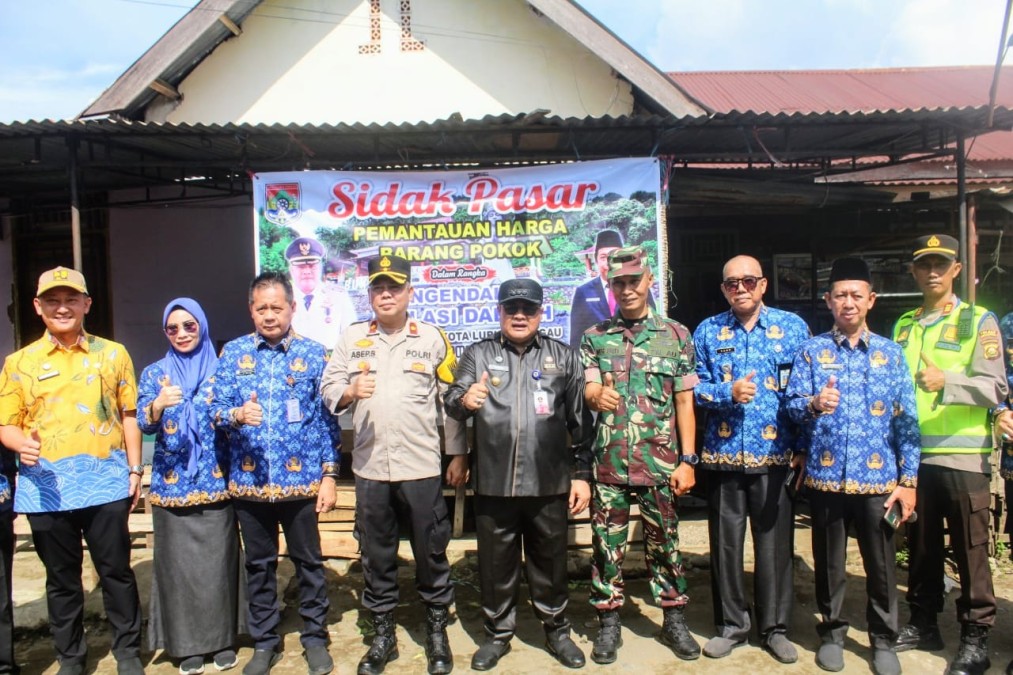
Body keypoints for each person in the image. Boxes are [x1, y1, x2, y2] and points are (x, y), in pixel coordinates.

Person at [320, 254, 467, 675]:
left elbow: (451, 401)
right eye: (378, 288)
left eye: (394, 287)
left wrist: (458, 453)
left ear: (409, 293)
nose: (386, 294)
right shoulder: (351, 339)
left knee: (431, 551)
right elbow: (328, 387)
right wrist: (349, 390)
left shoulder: (433, 338)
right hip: (369, 468)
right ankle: (382, 633)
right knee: (376, 555)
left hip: (421, 467)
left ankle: (436, 631)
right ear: (368, 294)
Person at [0, 266, 145, 675]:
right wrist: (19, 444)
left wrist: (135, 471)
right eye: (52, 300)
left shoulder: (113, 354)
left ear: (86, 304)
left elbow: (128, 415)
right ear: (37, 307)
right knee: (62, 581)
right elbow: (5, 423)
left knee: (115, 572)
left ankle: (128, 653)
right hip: (46, 488)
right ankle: (71, 658)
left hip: (105, 485)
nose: (61, 308)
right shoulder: (18, 363)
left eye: (70, 299)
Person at [444, 278, 592, 671]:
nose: (520, 316)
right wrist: (464, 399)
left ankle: (557, 630)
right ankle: (497, 634)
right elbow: (451, 400)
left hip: (549, 482)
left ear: (541, 313)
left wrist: (581, 474)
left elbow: (580, 421)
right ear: (500, 312)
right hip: (494, 482)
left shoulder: (563, 356)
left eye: (529, 309)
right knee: (496, 566)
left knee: (551, 563)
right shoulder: (479, 353)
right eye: (512, 309)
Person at [785, 257, 920, 675]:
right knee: (830, 565)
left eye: (856, 295)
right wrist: (813, 403)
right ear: (828, 300)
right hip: (826, 479)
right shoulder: (811, 352)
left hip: (879, 481)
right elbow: (790, 406)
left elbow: (908, 423)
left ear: (871, 300)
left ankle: (883, 639)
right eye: (840, 295)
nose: (848, 303)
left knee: (881, 566)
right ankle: (833, 633)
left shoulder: (890, 354)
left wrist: (909, 480)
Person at [205, 272, 341, 675]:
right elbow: (214, 408)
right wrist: (235, 415)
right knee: (259, 566)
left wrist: (330, 475)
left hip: (301, 484)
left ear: (291, 308)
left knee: (309, 565)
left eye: (276, 307)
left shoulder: (315, 354)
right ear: (251, 310)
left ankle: (315, 638)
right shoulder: (233, 354)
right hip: (249, 485)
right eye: (261, 308)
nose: (269, 315)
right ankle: (265, 641)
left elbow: (326, 421)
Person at [892, 234, 1008, 675]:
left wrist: (950, 383)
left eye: (941, 264)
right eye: (925, 264)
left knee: (970, 551)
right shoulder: (904, 324)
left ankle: (975, 638)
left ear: (956, 269)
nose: (933, 271)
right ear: (914, 271)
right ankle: (923, 623)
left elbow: (997, 386)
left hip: (963, 459)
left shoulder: (977, 321)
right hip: (915, 459)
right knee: (921, 549)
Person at [579, 245, 700, 664]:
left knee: (665, 545)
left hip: (661, 463)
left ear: (650, 281)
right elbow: (591, 388)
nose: (627, 289)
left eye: (634, 281)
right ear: (610, 286)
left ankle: (673, 619)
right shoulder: (595, 338)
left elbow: (685, 403)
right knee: (606, 548)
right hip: (610, 464)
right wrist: (596, 395)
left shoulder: (677, 336)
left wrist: (689, 460)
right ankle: (608, 622)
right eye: (619, 283)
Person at [692, 255, 809, 663]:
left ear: (763, 285)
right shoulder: (708, 330)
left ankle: (774, 628)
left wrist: (805, 448)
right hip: (723, 456)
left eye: (748, 281)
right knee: (725, 546)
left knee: (774, 547)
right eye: (731, 283)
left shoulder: (792, 328)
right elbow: (692, 390)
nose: (739, 288)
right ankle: (732, 625)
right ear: (723, 289)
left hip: (776, 456)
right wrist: (728, 392)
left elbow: (805, 392)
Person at [137, 298, 243, 674]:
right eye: (173, 328)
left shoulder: (224, 371)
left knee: (217, 567)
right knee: (178, 571)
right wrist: (157, 406)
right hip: (171, 487)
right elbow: (144, 425)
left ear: (202, 326)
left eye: (189, 326)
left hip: (216, 483)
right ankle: (186, 647)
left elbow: (235, 421)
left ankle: (222, 642)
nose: (181, 334)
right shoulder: (154, 374)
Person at [286, 237, 357, 349]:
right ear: (291, 269)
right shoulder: (282, 297)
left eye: (312, 265)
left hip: (329, 363)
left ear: (320, 267)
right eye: (300, 266)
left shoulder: (338, 296)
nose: (307, 271)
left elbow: (352, 337)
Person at [569, 229, 623, 350]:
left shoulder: (639, 289)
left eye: (614, 256)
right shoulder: (583, 292)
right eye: (603, 257)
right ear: (596, 260)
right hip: (595, 362)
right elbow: (576, 337)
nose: (609, 263)